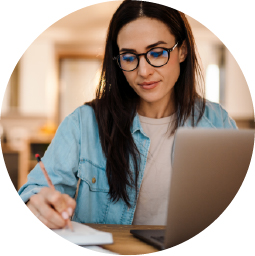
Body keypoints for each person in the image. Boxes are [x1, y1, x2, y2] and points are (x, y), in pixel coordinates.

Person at [18, 0, 237, 229]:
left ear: (182, 50)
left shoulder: (218, 121)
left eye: (158, 52)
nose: (143, 72)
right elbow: (36, 192)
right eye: (129, 57)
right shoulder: (83, 123)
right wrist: (36, 204)